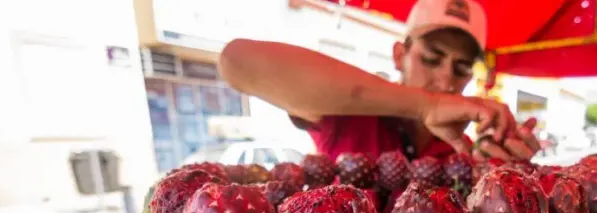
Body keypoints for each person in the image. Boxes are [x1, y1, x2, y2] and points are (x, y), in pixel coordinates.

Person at [218, 0, 539, 163]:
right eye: (431, 58)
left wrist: (501, 177)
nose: (445, 78)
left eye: (461, 67)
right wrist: (427, 105)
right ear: (400, 55)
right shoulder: (350, 113)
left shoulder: (461, 152)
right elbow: (237, 61)